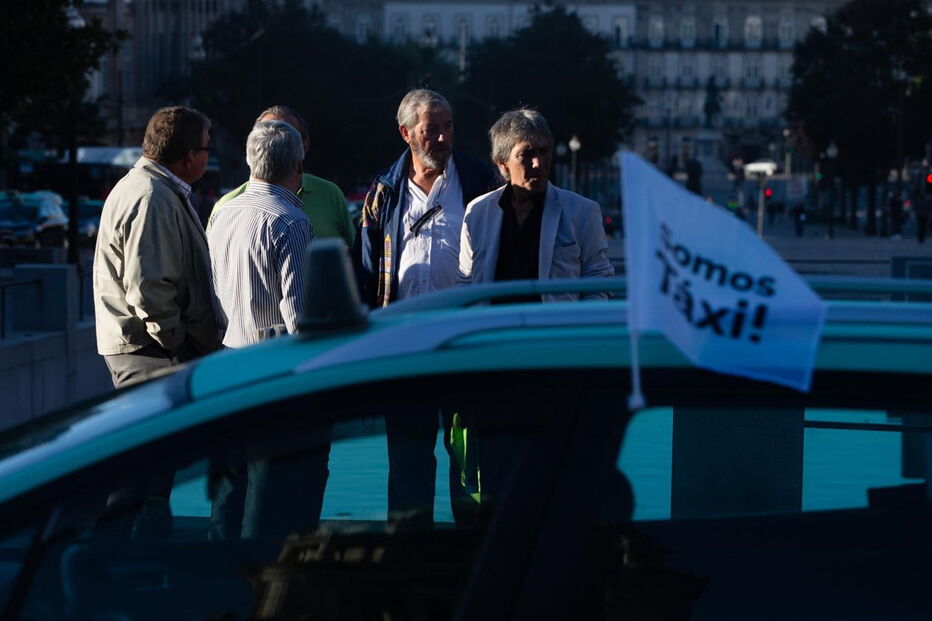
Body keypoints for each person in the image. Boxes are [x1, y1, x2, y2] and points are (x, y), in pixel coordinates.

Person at [353, 89, 497, 528]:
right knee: (409, 463)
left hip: (464, 349)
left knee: (471, 463)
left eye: (447, 127)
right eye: (431, 130)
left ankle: (473, 551)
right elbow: (365, 271)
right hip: (405, 351)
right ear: (406, 133)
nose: (442, 137)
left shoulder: (480, 182)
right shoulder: (383, 192)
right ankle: (407, 555)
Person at [93, 105, 224, 539]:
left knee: (146, 471)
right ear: (187, 156)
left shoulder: (152, 189)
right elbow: (150, 289)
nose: (208, 157)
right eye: (206, 149)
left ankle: (126, 562)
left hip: (146, 350)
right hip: (149, 354)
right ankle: (120, 565)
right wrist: (176, 346)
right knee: (143, 476)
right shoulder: (152, 197)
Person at [207, 120, 327, 540]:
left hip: (226, 358)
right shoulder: (291, 221)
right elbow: (300, 315)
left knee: (229, 480)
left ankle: (220, 570)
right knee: (268, 480)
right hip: (273, 365)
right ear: (298, 163)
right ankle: (257, 578)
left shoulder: (222, 213)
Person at [458, 108, 615, 301]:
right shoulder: (477, 212)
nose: (538, 163)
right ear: (502, 163)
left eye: (544, 151)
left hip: (553, 330)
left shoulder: (581, 211)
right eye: (527, 153)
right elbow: (465, 281)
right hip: (495, 329)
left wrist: (579, 325)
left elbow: (598, 279)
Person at [207, 105, 354, 248]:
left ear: (304, 146)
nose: (273, 145)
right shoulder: (224, 206)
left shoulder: (329, 194)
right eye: (264, 138)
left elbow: (355, 256)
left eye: (287, 138)